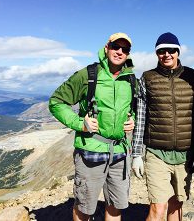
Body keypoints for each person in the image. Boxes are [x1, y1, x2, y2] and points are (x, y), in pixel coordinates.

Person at [49, 33, 136, 221]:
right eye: (116, 46)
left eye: (125, 49)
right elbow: (56, 102)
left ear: (128, 54)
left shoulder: (130, 79)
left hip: (119, 152)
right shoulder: (89, 74)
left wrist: (132, 120)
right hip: (91, 150)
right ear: (107, 47)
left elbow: (132, 108)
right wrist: (80, 124)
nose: (120, 52)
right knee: (84, 207)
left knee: (115, 205)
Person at [131, 32, 194, 221]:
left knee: (176, 205)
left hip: (185, 154)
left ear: (178, 52)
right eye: (162, 51)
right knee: (158, 207)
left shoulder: (192, 76)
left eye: (171, 50)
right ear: (157, 53)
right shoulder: (147, 78)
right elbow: (142, 116)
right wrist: (136, 154)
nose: (167, 54)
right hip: (156, 153)